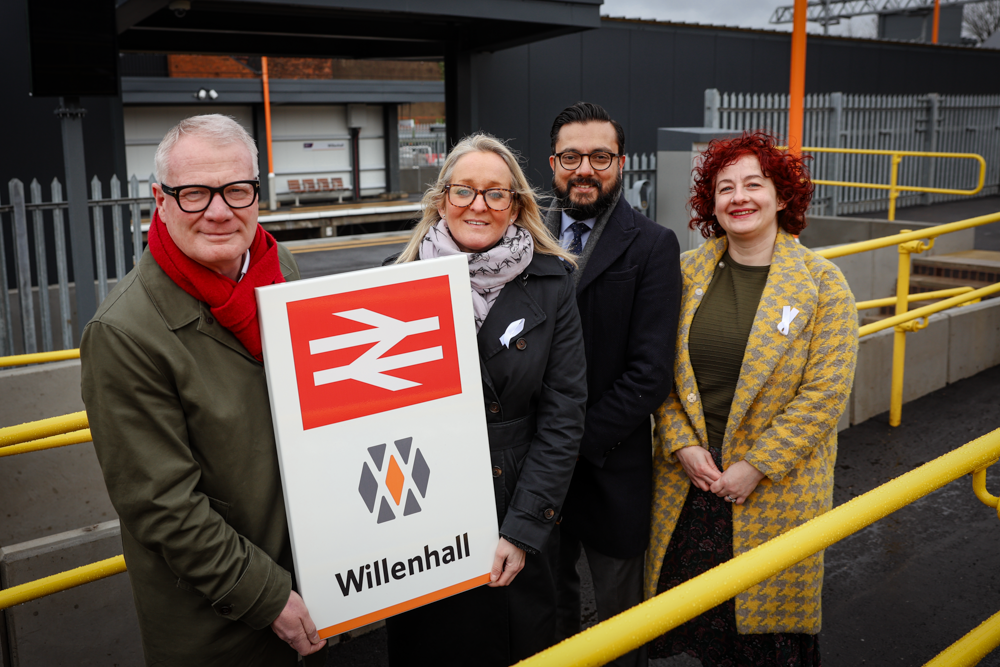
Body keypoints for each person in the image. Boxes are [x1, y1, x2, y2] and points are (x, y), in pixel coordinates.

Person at [80, 114, 327, 666]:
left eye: (236, 189)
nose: (219, 211)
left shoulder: (275, 268)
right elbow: (163, 506)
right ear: (160, 200)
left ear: (257, 193)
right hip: (220, 625)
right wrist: (266, 596)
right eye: (194, 193)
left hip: (310, 583)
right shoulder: (123, 332)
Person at [645, 131, 859, 666]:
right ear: (711, 204)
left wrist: (757, 465)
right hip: (692, 484)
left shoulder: (822, 283)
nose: (739, 197)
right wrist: (680, 444)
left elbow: (825, 393)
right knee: (702, 633)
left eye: (753, 184)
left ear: (782, 197)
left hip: (771, 490)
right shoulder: (687, 271)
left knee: (766, 639)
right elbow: (660, 374)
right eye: (725, 188)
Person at [384, 133, 588, 666]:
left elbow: (564, 413)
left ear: (516, 204)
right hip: (425, 504)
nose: (479, 205)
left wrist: (523, 530)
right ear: (440, 199)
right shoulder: (394, 280)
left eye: (497, 193)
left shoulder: (552, 281)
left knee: (516, 645)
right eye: (464, 191)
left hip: (515, 499)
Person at [545, 101, 681, 667]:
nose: (585, 169)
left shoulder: (651, 244)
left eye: (600, 156)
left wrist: (565, 442)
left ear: (621, 162)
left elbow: (650, 374)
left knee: (621, 619)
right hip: (535, 477)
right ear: (553, 162)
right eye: (571, 156)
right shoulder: (518, 236)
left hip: (609, 463)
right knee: (546, 609)